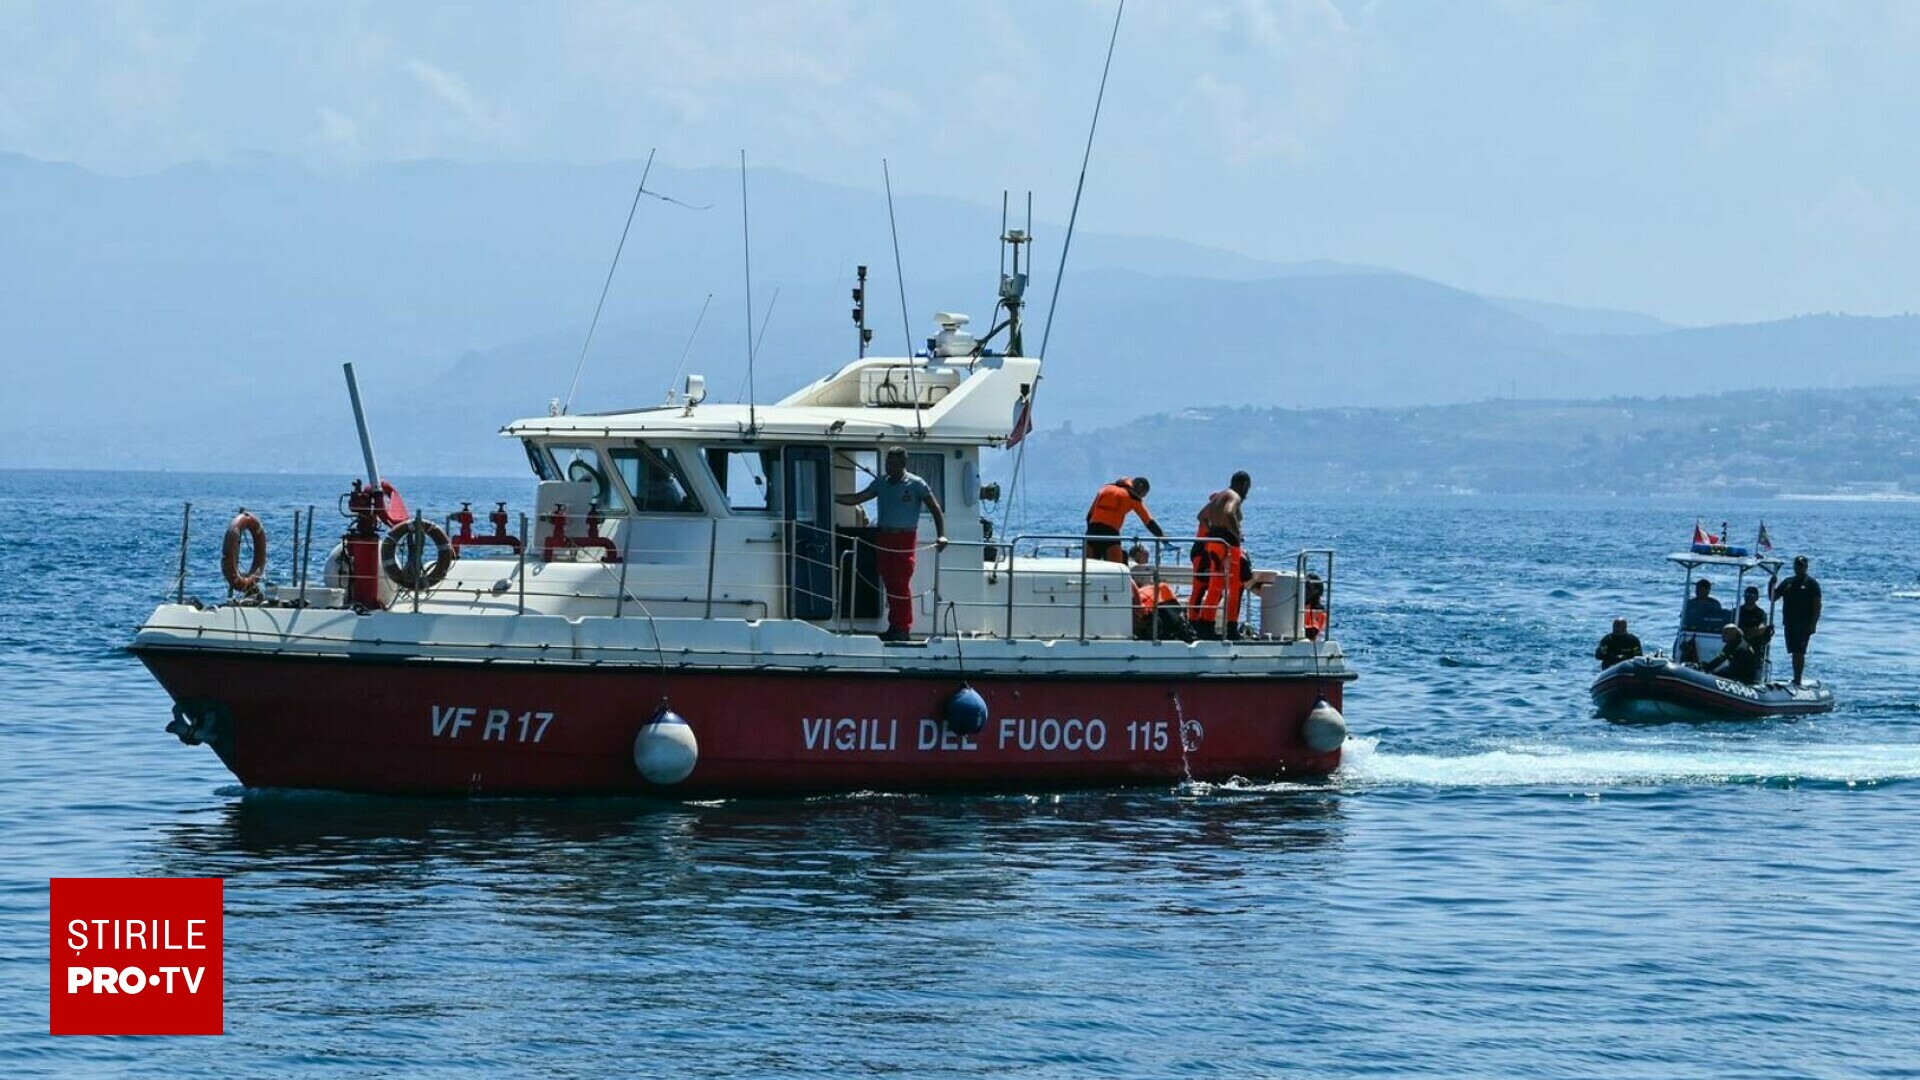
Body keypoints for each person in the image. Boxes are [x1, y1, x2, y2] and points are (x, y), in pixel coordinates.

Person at [836, 447, 947, 641]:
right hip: (884, 537)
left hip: (904, 537)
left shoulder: (916, 484)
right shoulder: (881, 483)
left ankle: (903, 628)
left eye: (893, 464)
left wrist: (941, 536)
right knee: (889, 582)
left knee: (901, 583)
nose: (889, 467)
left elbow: (935, 509)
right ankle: (894, 625)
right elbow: (859, 498)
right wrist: (834, 497)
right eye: (888, 463)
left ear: (903, 464)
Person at [1188, 471, 1252, 640]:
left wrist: (1213, 528)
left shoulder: (1219, 496)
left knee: (1215, 587)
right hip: (1228, 545)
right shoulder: (1234, 496)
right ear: (1244, 485)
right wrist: (1236, 532)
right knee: (1235, 588)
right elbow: (1229, 512)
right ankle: (1231, 628)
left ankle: (1205, 626)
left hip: (1213, 543)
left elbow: (1201, 516)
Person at [1084, 477, 1164, 562]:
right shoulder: (1133, 496)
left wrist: (1091, 532)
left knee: (1089, 567)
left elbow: (1089, 516)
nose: (1142, 498)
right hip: (1110, 533)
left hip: (1091, 532)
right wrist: (1164, 539)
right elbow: (1149, 521)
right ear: (1140, 488)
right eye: (1143, 495)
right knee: (1116, 566)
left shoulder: (1104, 489)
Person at [1771, 555, 1823, 685]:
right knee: (1793, 651)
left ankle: (1798, 679)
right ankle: (1795, 678)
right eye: (1798, 565)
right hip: (1789, 622)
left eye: (1802, 565)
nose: (1800, 568)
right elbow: (1773, 597)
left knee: (1799, 652)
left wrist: (1813, 624)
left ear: (1806, 567)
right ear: (1794, 566)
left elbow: (1817, 605)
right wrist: (1771, 583)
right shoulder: (1788, 582)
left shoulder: (1811, 583)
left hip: (1804, 624)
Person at [1127, 546, 1191, 641]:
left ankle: (1179, 625)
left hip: (1142, 601)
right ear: (1138, 554)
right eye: (1146, 556)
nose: (1147, 558)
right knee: (1163, 588)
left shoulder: (1129, 568)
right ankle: (1181, 626)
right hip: (1143, 603)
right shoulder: (1137, 569)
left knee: (1162, 589)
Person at [1737, 585, 1770, 649]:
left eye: (1752, 596)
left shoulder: (1760, 613)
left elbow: (1762, 627)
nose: (1749, 597)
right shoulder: (1737, 611)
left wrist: (1751, 635)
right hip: (1738, 639)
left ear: (1757, 598)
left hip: (1755, 640)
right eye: (1747, 595)